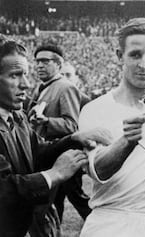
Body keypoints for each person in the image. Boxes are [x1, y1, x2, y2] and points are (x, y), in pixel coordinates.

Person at [0, 37, 111, 237]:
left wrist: (74, 139)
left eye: (25, 74)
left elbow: (37, 150)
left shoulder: (16, 116)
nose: (25, 84)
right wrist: (55, 174)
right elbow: (4, 188)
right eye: (15, 75)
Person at [79, 18, 145, 237]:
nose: (143, 64)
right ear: (119, 56)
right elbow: (97, 171)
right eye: (135, 54)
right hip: (111, 223)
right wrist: (126, 142)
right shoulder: (95, 109)